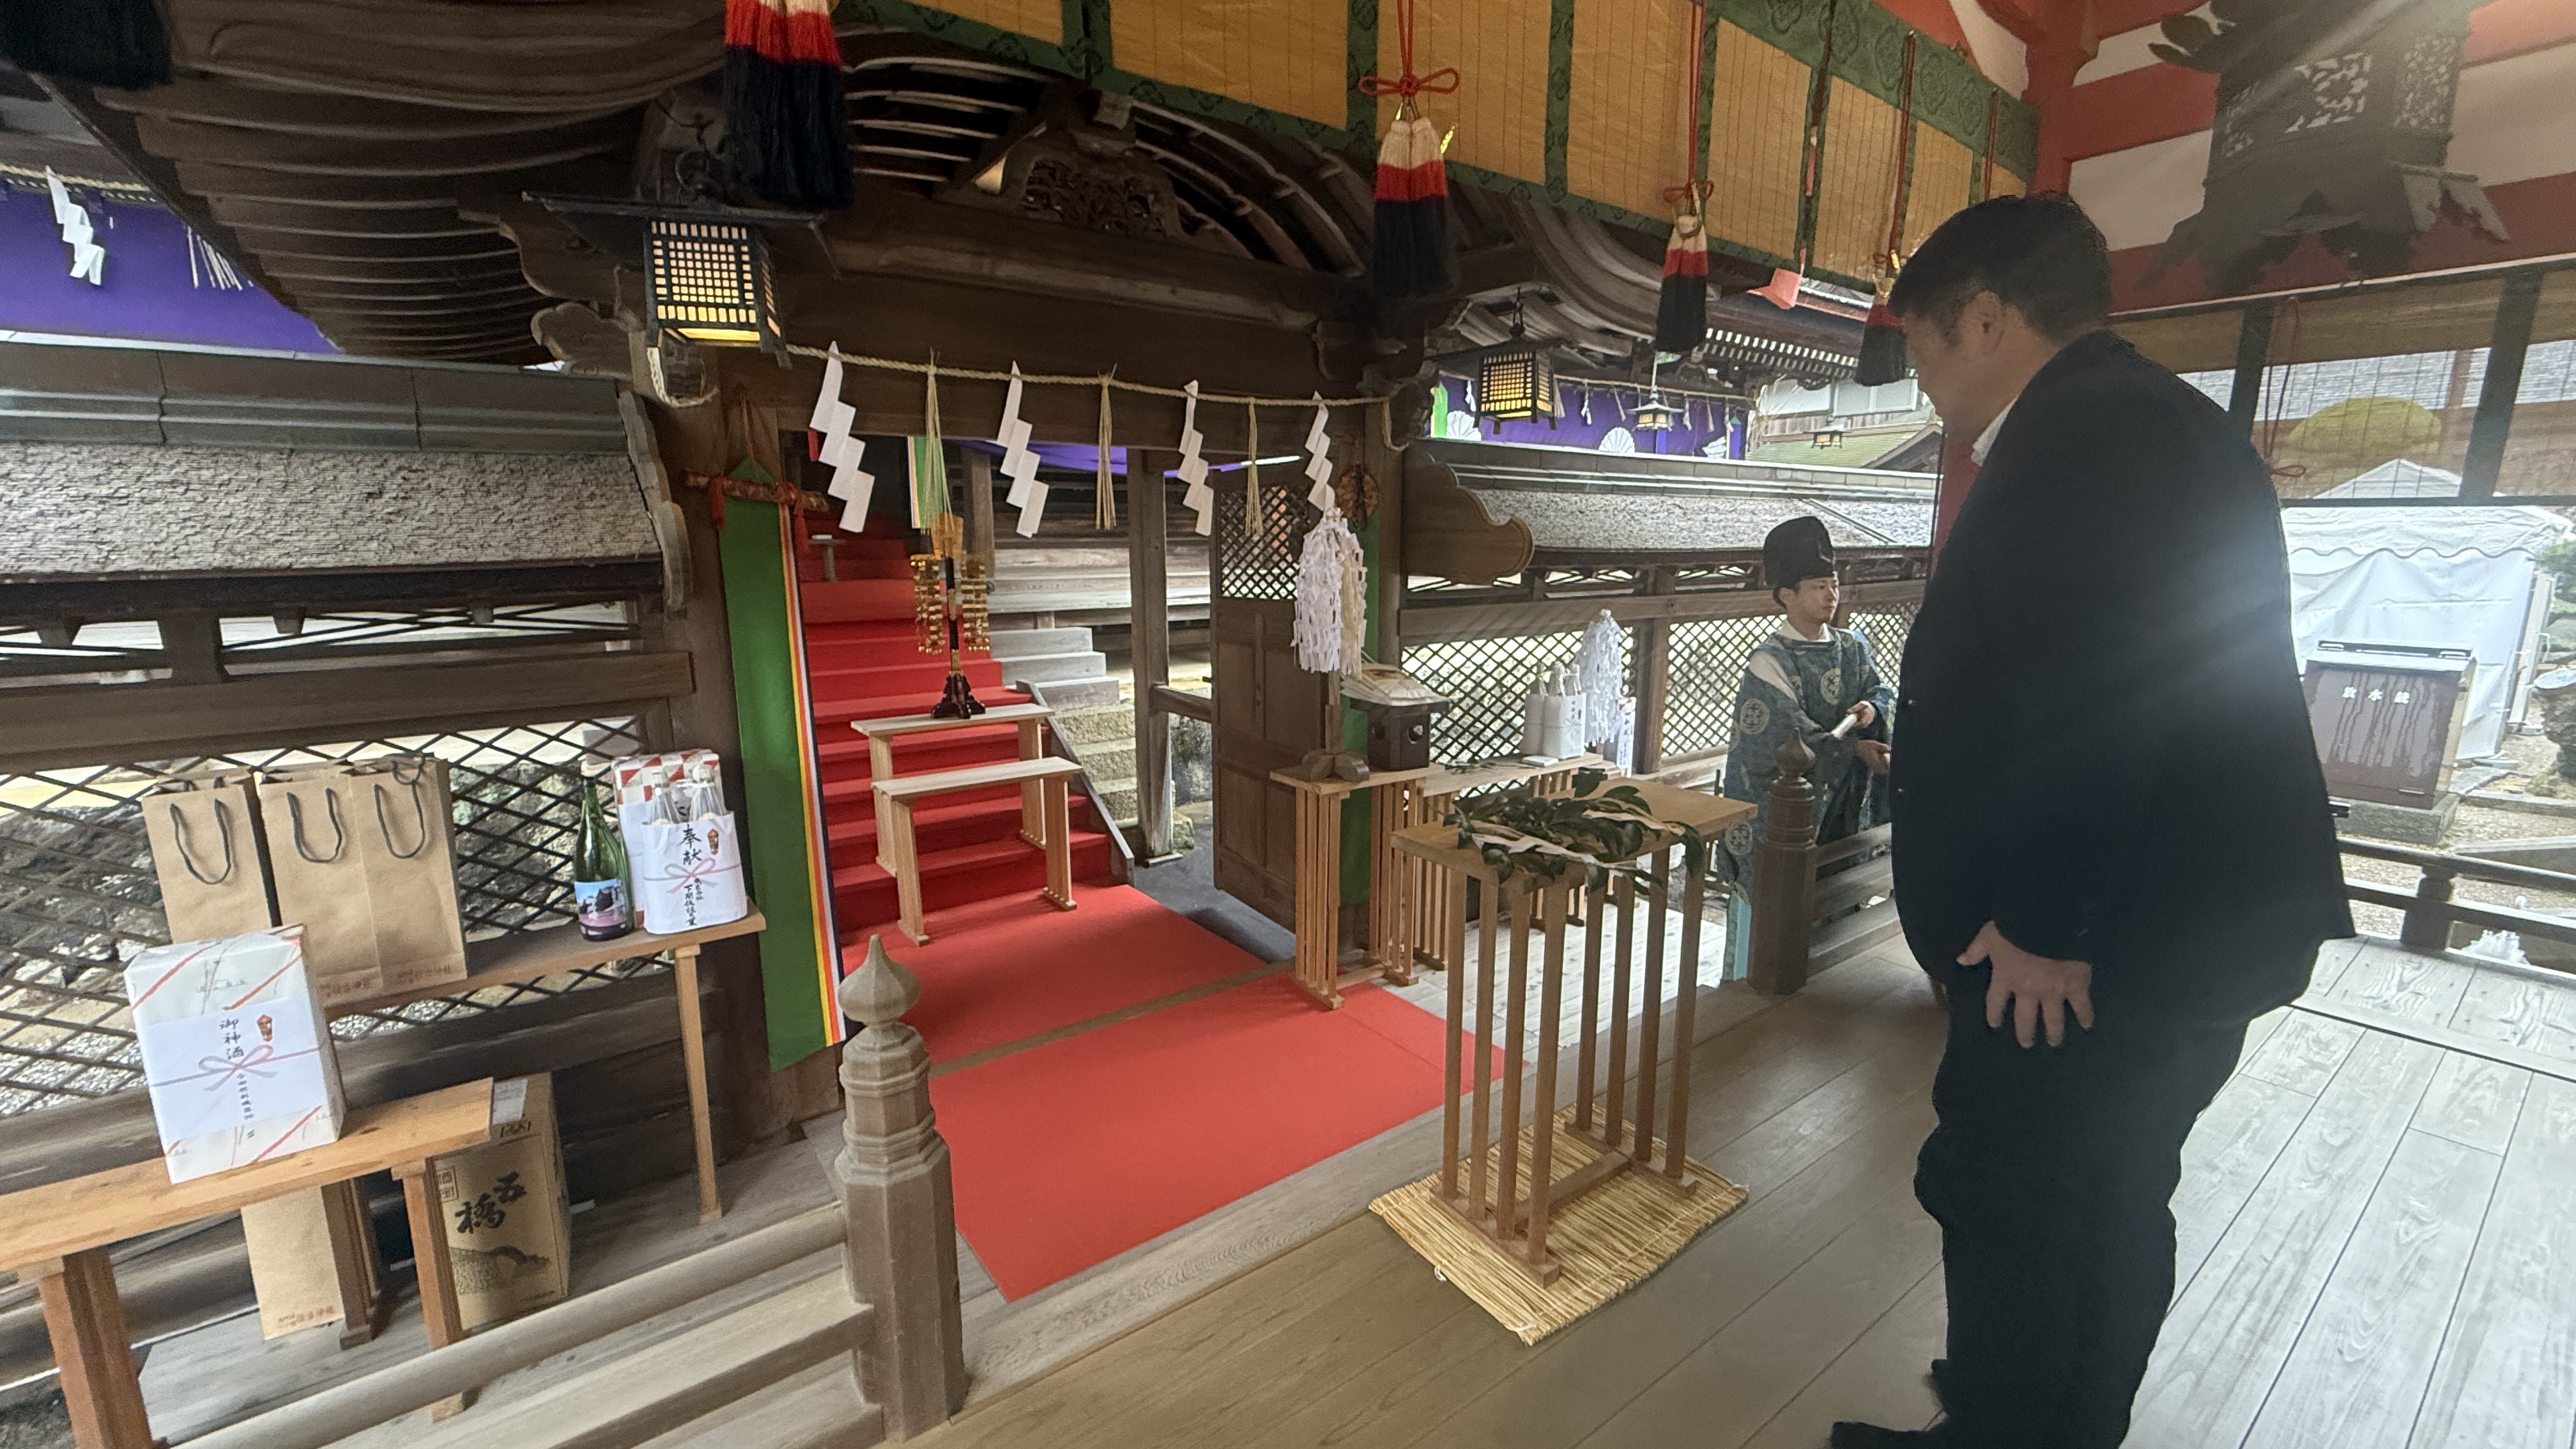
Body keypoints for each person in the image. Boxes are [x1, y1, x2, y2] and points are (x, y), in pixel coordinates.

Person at [1830, 195, 2352, 1449]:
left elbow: (2103, 695)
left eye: (1923, 347)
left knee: (2021, 1196)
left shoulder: (2084, 439)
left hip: (2099, 941)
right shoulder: (2153, 420)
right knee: (2095, 1202)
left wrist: (2045, 922)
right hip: (2165, 920)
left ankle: (2008, 1430)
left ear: (1985, 319)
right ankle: (2029, 1421)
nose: (1925, 385)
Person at [1717, 516, 1894, 978]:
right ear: (1787, 596)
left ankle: (1830, 983)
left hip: (1843, 801)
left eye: (1833, 585)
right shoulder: (1769, 660)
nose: (1831, 596)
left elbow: (1880, 691)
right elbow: (1783, 734)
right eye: (1817, 587)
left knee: (1839, 893)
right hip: (1782, 807)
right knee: (1776, 907)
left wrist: (1872, 711)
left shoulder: (1853, 647)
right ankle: (1756, 982)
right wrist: (1854, 751)